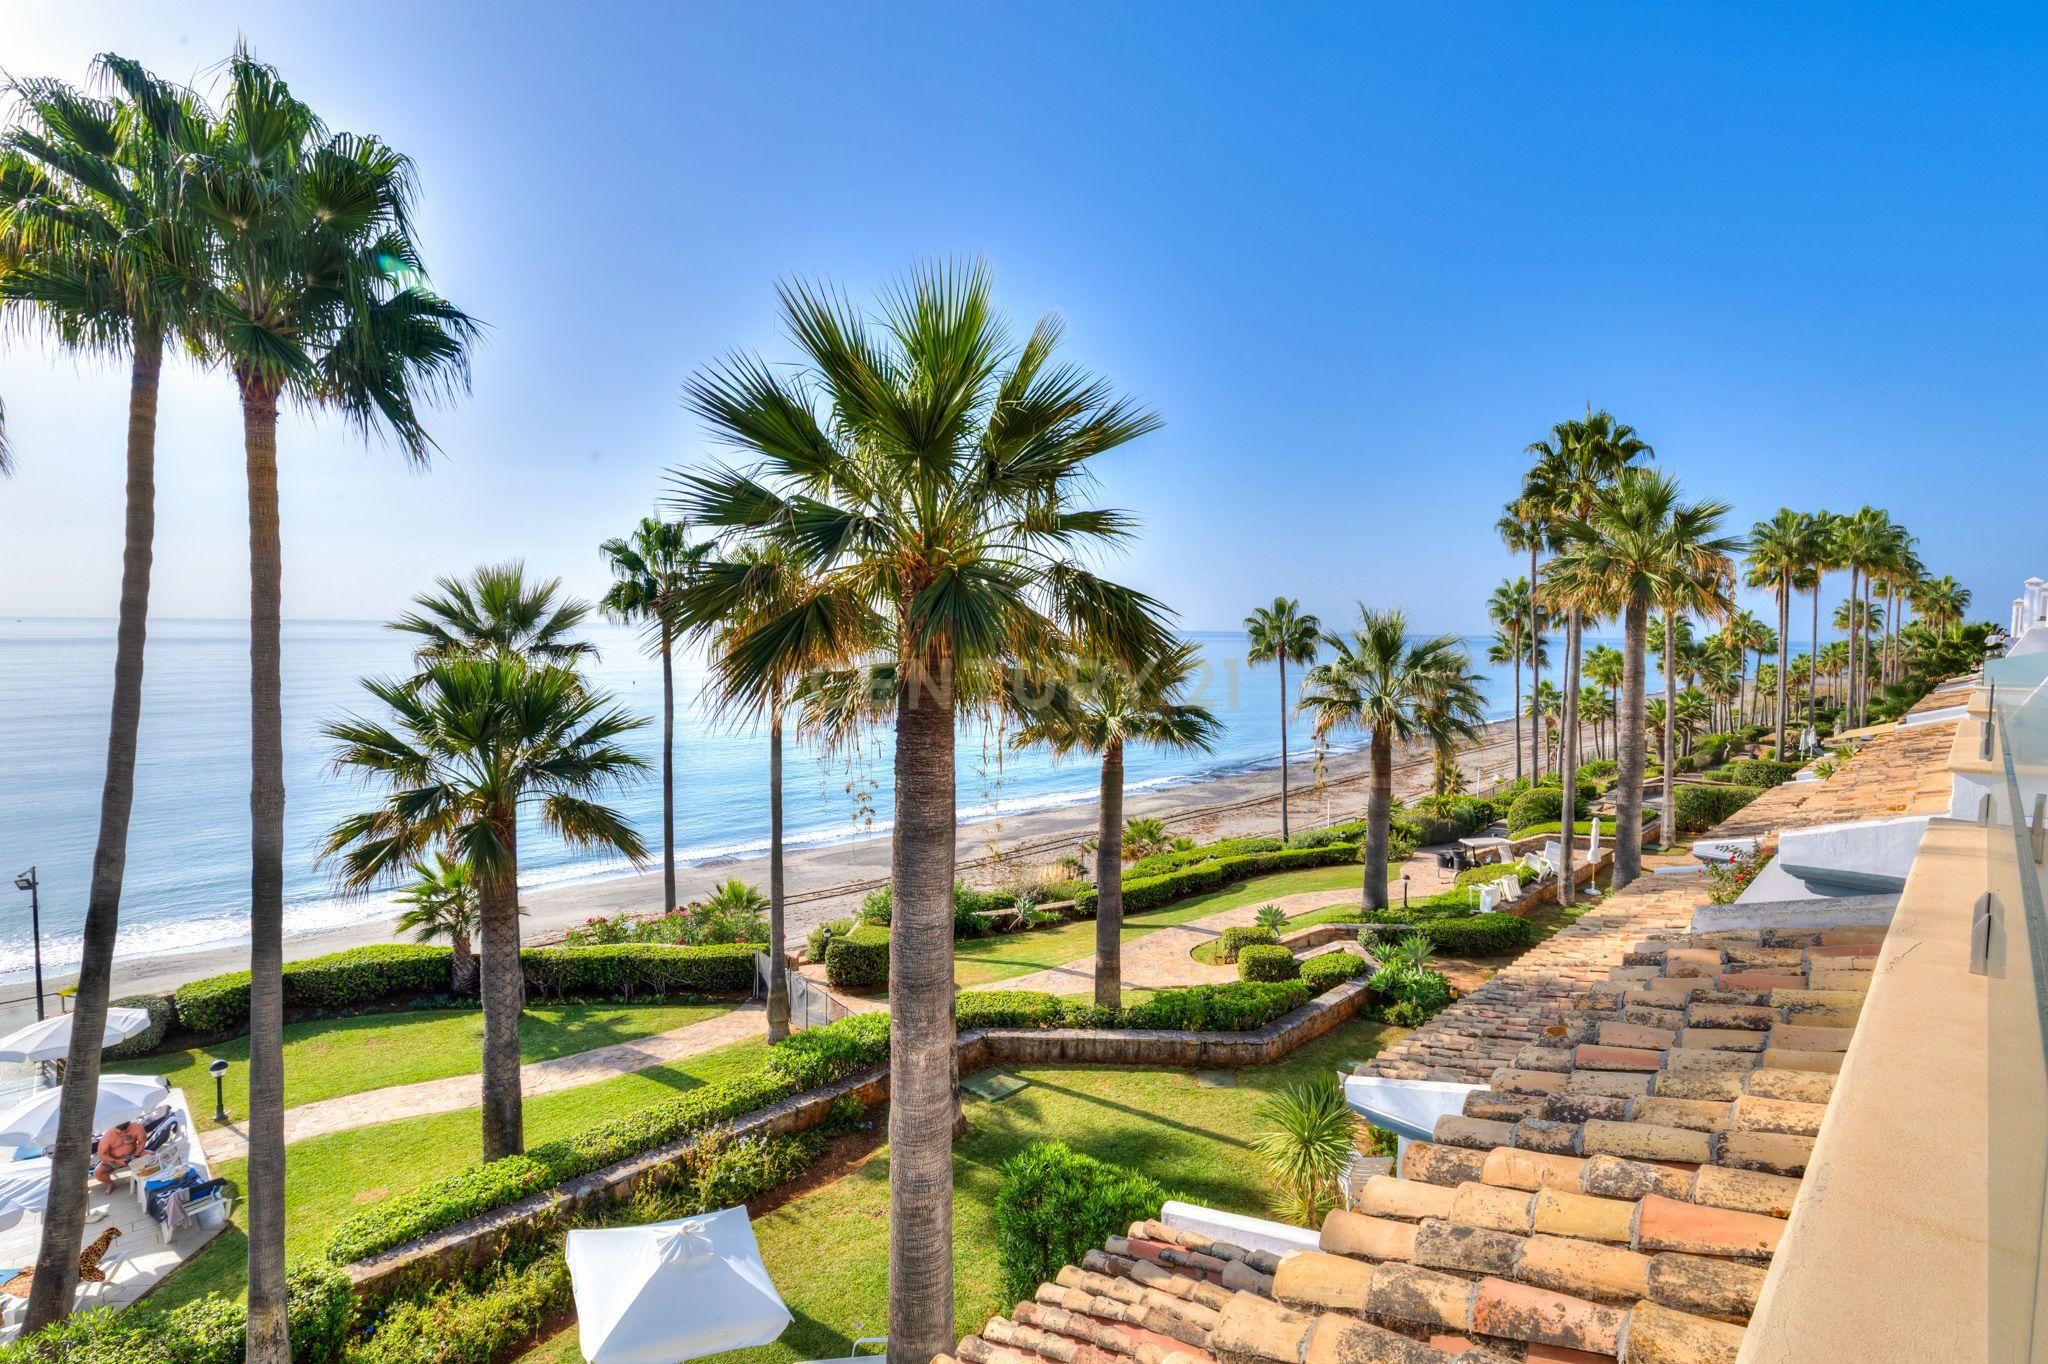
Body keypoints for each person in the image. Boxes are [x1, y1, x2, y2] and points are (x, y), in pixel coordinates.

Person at [93, 1120, 146, 1193]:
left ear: (129, 1125)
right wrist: (115, 1160)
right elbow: (101, 1154)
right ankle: (110, 1184)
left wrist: (136, 1155)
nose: (123, 1134)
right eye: (119, 1133)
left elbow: (142, 1143)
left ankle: (134, 1178)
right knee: (98, 1172)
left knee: (150, 1156)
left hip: (133, 1155)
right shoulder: (108, 1136)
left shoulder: (137, 1127)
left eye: (126, 1131)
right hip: (114, 1159)